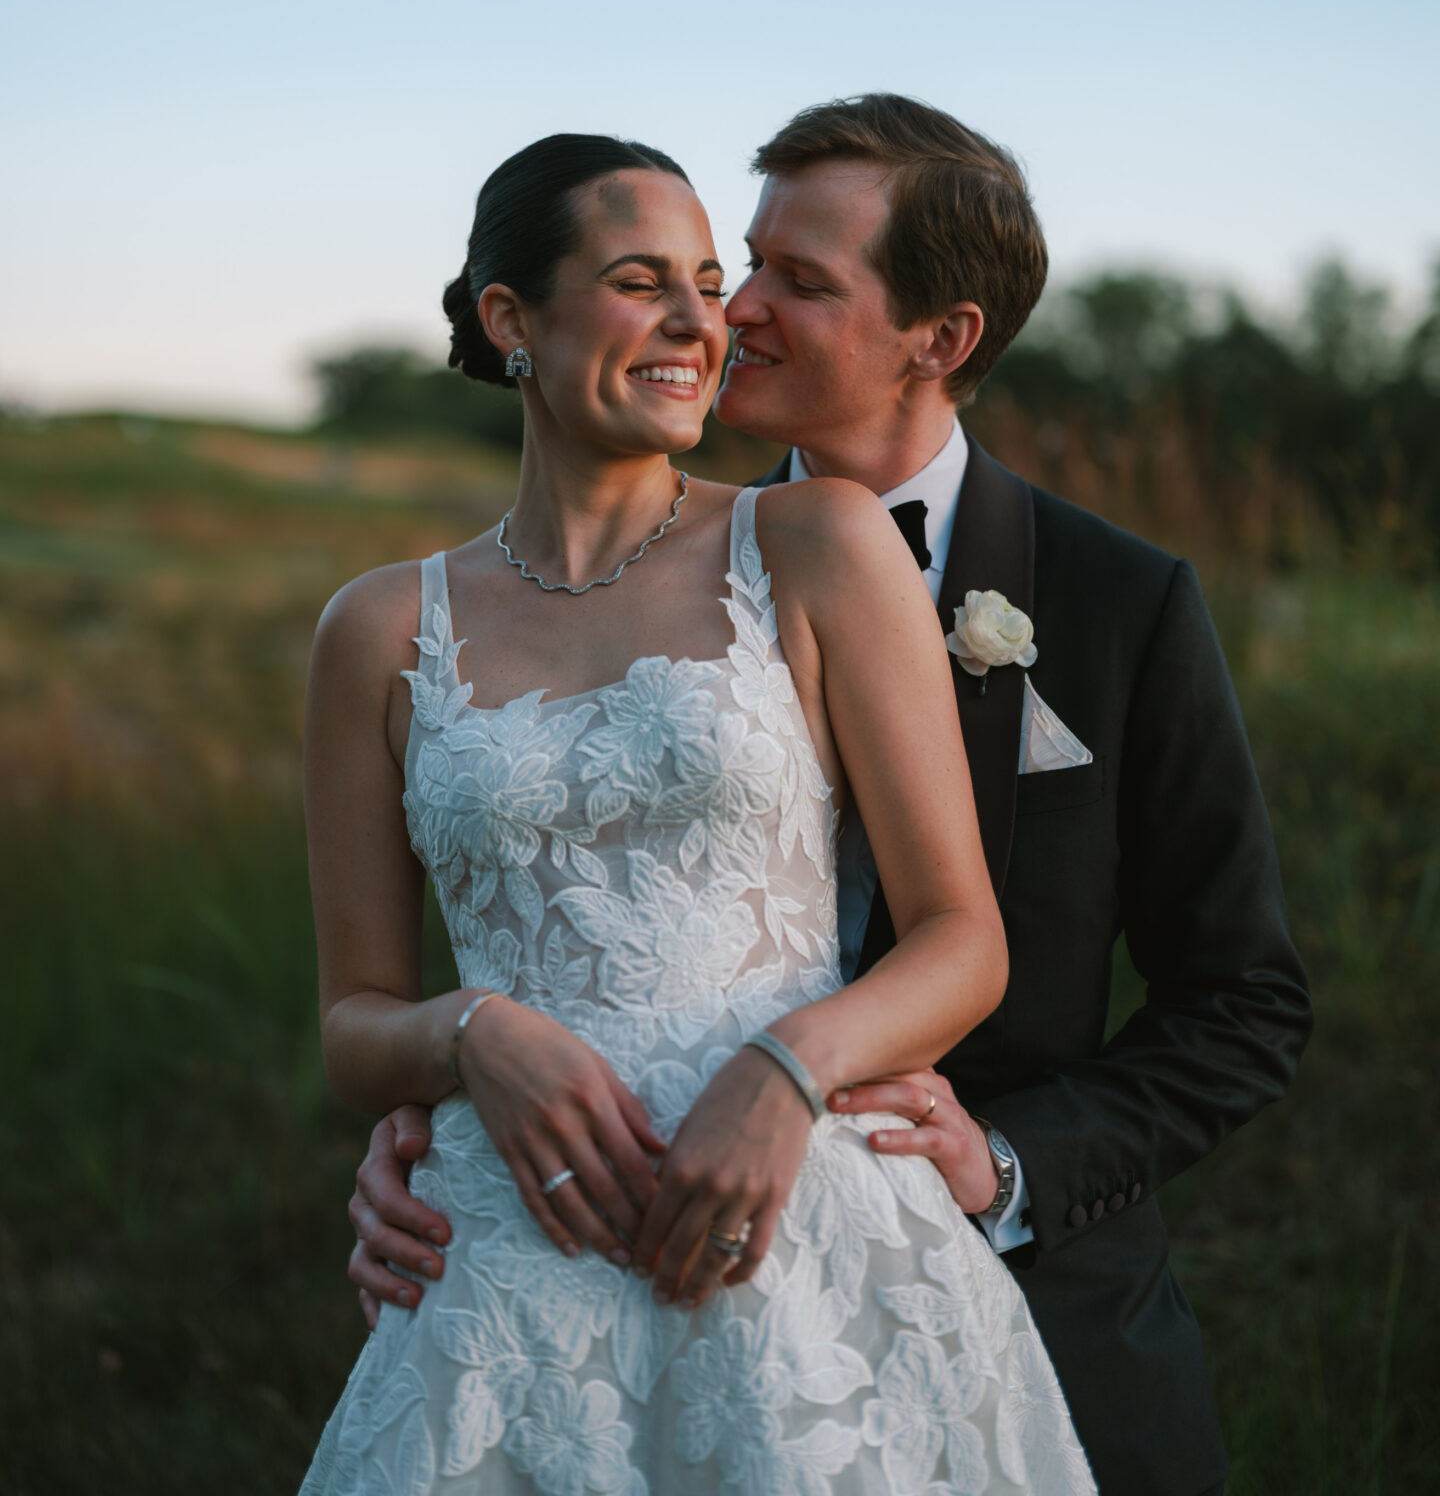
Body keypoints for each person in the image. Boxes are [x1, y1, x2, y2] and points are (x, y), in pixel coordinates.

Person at [351, 97, 1312, 1496]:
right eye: (740, 265)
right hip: (580, 1268)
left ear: (944, 338)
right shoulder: (663, 559)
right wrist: (438, 1122)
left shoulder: (1123, 604)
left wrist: (999, 1165)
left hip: (1005, 1300)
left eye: (797, 281)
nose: (735, 310)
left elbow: (1244, 1004)